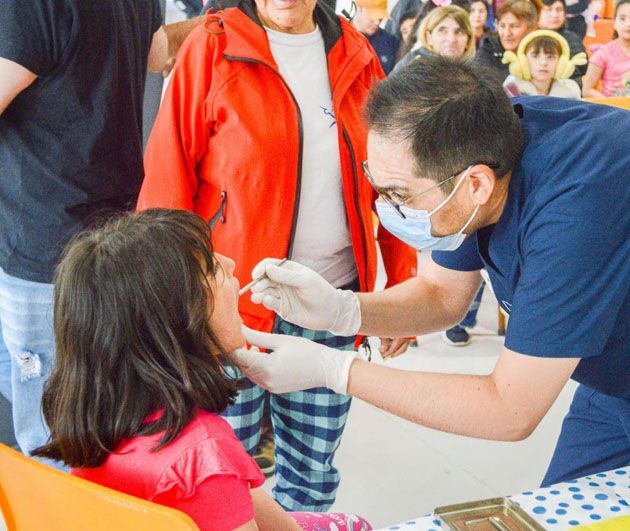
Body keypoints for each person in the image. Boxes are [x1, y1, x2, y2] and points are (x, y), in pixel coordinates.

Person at [227, 55, 630, 488]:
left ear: (473, 182)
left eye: (397, 193)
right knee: (562, 510)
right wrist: (344, 309)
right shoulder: (489, 155)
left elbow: (510, 409)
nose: (386, 207)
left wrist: (334, 369)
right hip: (625, 370)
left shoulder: (579, 201)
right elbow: (442, 296)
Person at [138, 0, 417, 512]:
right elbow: (166, 178)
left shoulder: (357, 52)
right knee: (222, 468)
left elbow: (393, 179)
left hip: (333, 303)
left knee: (312, 469)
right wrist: (164, 300)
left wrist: (401, 292)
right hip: (228, 308)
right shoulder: (213, 46)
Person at [32, 209, 370, 531]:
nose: (231, 263)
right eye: (211, 268)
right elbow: (213, 474)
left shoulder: (99, 416)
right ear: (178, 322)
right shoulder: (204, 454)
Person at [0, 0, 168, 468]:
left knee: (49, 434)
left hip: (42, 244)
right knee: (92, 413)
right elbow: (158, 54)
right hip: (110, 239)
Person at [502, 29, 585, 97]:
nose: (543, 63)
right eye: (535, 56)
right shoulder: (512, 88)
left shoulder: (571, 90)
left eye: (551, 57)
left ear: (561, 62)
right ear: (523, 60)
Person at [475, 0, 539, 85]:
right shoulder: (486, 55)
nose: (507, 33)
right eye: (502, 26)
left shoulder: (541, 54)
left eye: (514, 26)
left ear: (531, 28)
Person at [395, 5, 476, 69]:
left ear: (468, 41)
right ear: (428, 38)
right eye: (442, 31)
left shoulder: (473, 72)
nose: (451, 39)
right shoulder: (412, 67)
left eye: (459, 32)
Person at [538, 0, 587, 88]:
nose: (555, 15)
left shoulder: (573, 39)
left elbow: (582, 69)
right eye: (549, 9)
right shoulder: (527, 37)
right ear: (537, 11)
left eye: (559, 10)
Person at [352, 3, 401, 74]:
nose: (377, 22)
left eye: (380, 18)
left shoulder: (391, 42)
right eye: (373, 16)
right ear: (358, 7)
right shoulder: (339, 36)